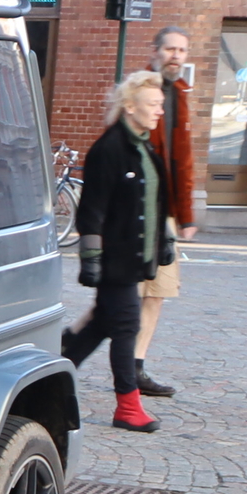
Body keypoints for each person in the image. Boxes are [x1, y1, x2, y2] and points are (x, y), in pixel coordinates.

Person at [67, 70, 172, 433]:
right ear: (130, 106)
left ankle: (60, 363)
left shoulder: (144, 146)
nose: (159, 111)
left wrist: (165, 242)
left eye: (161, 104)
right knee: (126, 325)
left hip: (135, 257)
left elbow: (157, 201)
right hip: (116, 260)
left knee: (103, 323)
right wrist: (91, 260)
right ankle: (128, 407)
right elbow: (91, 211)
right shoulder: (109, 149)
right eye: (152, 104)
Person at [134, 25, 195, 397]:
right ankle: (70, 347)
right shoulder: (140, 93)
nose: (175, 56)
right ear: (156, 51)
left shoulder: (182, 95)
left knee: (156, 292)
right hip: (138, 209)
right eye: (170, 49)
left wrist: (185, 215)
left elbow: (184, 159)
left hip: (166, 213)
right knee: (122, 296)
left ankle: (135, 367)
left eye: (182, 50)